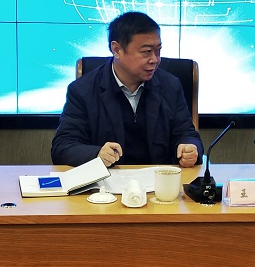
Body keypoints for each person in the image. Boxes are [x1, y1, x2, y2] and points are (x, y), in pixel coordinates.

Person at [51, 11, 203, 167]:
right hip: (108, 180)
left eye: (158, 51)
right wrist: (97, 154)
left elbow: (186, 134)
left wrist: (190, 148)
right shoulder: (82, 90)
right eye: (146, 52)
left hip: (159, 179)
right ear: (117, 49)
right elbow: (63, 147)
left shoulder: (170, 85)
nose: (155, 60)